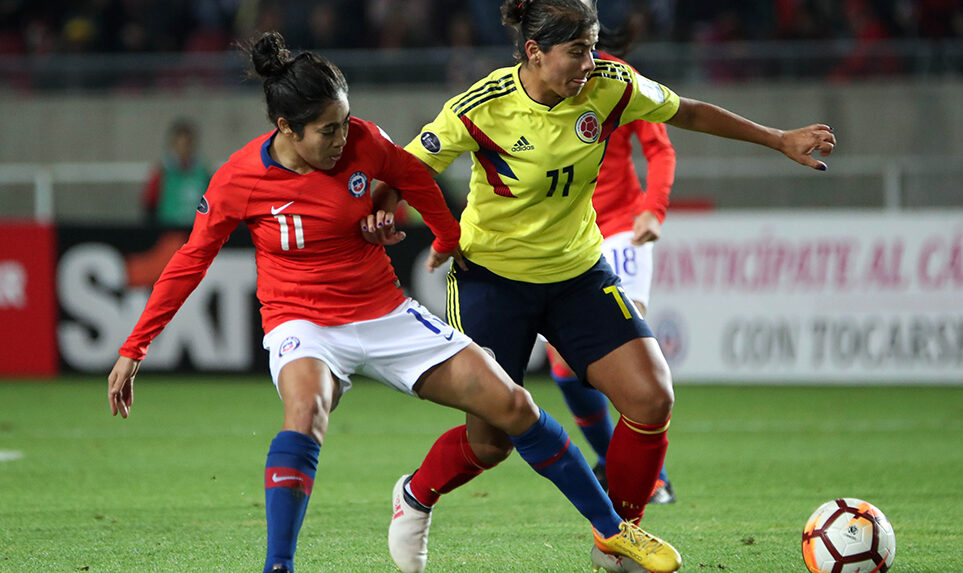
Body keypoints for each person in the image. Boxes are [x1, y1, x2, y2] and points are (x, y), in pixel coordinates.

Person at [107, 31, 671, 573]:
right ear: (286, 127)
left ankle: (612, 533)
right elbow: (189, 260)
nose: (341, 138)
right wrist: (136, 347)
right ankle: (278, 564)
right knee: (306, 413)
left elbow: (415, 178)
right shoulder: (239, 178)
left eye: (345, 121)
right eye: (327, 130)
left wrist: (446, 239)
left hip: (384, 313)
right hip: (301, 321)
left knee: (515, 409)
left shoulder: (362, 141)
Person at [370, 1, 834, 572]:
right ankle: (414, 494)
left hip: (577, 274)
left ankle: (617, 539)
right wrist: (382, 212)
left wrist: (778, 138)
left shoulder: (610, 86)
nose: (590, 62)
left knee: (651, 397)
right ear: (535, 53)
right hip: (493, 280)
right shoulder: (482, 106)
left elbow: (687, 112)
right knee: (491, 444)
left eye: (592, 48)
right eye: (576, 51)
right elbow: (406, 167)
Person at [546, 7, 678, 505]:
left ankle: (651, 478)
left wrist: (653, 211)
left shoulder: (618, 82)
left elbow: (660, 149)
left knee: (627, 359)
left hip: (622, 232)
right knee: (563, 369)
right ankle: (619, 464)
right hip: (569, 241)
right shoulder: (535, 87)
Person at [141, 117, 212, 228]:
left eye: (187, 145)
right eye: (179, 145)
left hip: (197, 232)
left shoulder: (204, 174)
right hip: (168, 233)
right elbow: (149, 206)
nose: (183, 150)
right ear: (173, 145)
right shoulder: (161, 174)